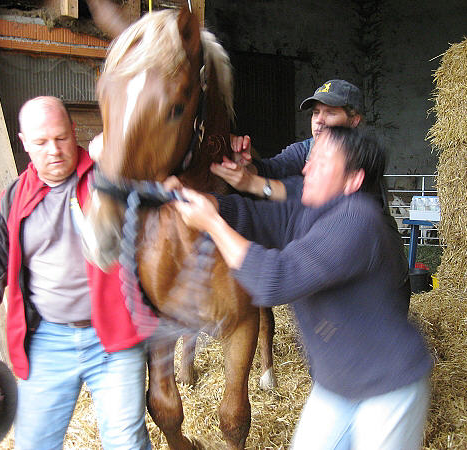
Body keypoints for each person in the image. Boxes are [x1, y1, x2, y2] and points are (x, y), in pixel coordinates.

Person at [174, 126, 432, 449]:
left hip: (389, 388)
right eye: (311, 159)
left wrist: (211, 224)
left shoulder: (357, 221)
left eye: (322, 163)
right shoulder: (311, 204)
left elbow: (275, 279)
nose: (308, 167)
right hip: (335, 384)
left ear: (353, 180)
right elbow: (254, 216)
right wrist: (204, 203)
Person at [0, 96, 151, 450]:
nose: (54, 150)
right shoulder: (12, 201)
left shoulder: (107, 178)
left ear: (74, 130)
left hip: (113, 337)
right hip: (47, 341)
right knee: (34, 444)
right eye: (41, 142)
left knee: (127, 442)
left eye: (61, 138)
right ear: (24, 143)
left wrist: (124, 150)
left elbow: (160, 178)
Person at [211, 79, 364, 201]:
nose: (319, 120)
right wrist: (245, 164)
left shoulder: (365, 158)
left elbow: (325, 198)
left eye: (330, 113)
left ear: (354, 120)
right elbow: (272, 169)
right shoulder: (303, 150)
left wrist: (252, 183)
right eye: (316, 113)